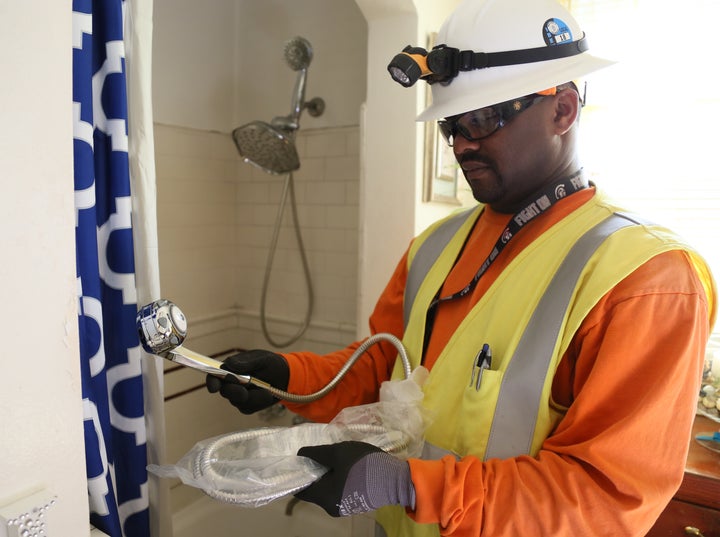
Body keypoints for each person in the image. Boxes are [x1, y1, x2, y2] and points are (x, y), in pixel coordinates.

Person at [207, 0, 717, 535]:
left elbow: (604, 497)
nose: (463, 144)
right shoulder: (435, 244)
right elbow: (387, 372)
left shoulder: (646, 280)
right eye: (452, 125)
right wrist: (289, 381)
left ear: (563, 110)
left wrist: (404, 485)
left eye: (483, 119)